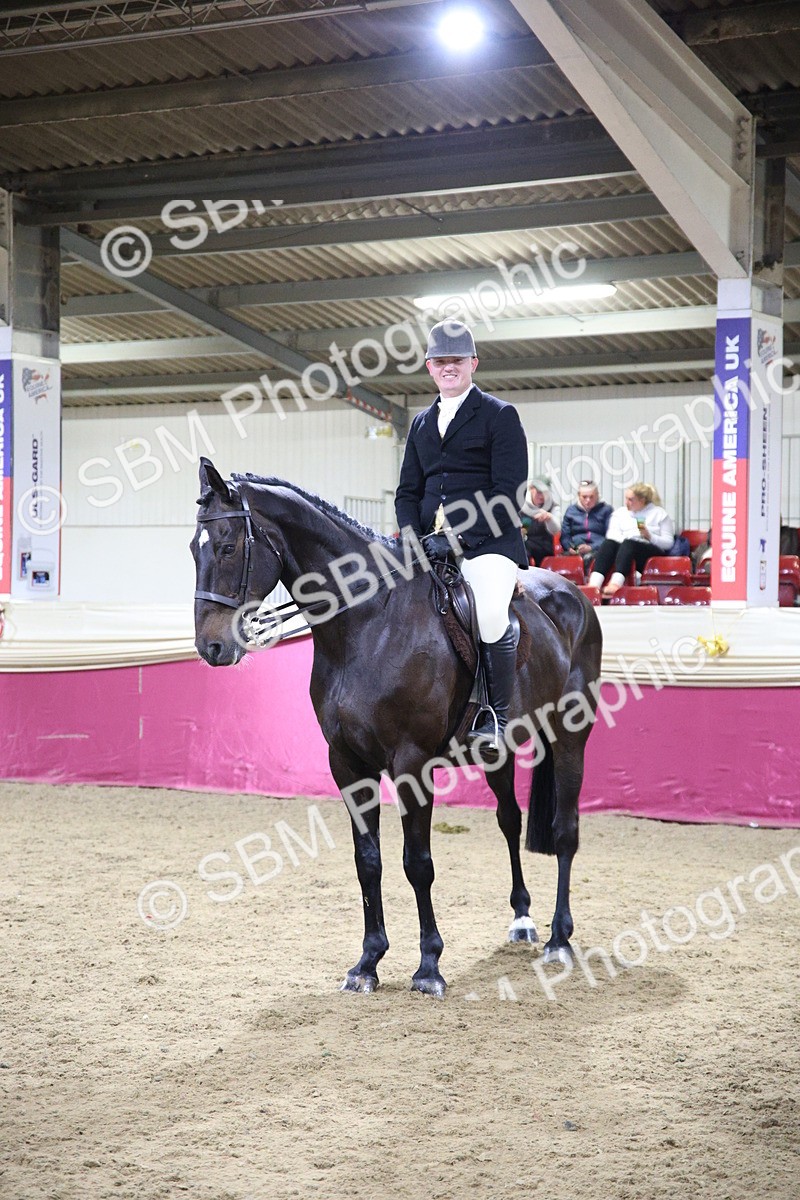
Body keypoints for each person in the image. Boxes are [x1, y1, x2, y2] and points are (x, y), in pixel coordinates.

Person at [395, 319, 528, 763]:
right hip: (429, 544)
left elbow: (508, 494)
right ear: (429, 367)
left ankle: (496, 716)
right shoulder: (420, 423)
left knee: (489, 612)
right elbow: (407, 492)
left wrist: (456, 539)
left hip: (488, 544)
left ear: (473, 363)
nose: (448, 367)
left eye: (457, 360)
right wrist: (414, 540)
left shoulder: (499, 415)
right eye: (440, 361)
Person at [587, 483, 674, 596]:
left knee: (630, 544)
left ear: (641, 500)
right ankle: (594, 583)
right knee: (609, 543)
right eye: (626, 498)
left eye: (631, 500)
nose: (626, 502)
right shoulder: (620, 513)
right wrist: (627, 539)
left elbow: (668, 543)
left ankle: (616, 583)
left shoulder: (659, 514)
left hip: (648, 552)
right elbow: (612, 534)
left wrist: (650, 536)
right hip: (624, 548)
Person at [559, 481, 613, 570]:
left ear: (597, 495)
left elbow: (610, 536)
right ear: (579, 496)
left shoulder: (606, 510)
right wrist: (569, 547)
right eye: (584, 497)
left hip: (598, 548)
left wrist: (591, 547)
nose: (588, 500)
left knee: (590, 558)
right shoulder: (571, 511)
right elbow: (565, 535)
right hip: (576, 547)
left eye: (591, 497)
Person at [520, 477, 562, 566]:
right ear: (531, 489)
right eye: (539, 492)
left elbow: (556, 530)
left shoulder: (553, 507)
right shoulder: (521, 507)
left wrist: (549, 518)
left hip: (544, 546)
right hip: (525, 544)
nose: (542, 496)